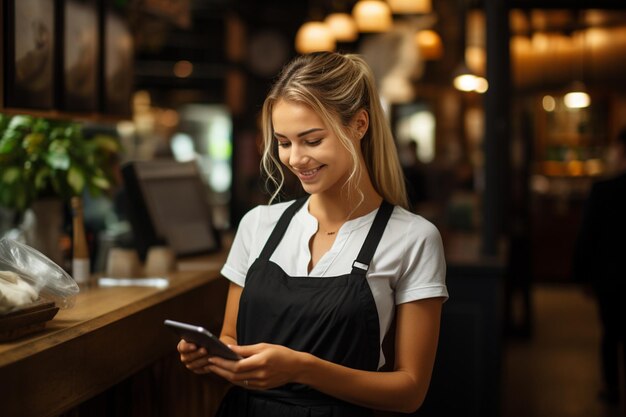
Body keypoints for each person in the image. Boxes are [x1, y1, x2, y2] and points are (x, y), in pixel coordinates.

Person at [177, 52, 448, 416]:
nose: (294, 159)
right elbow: (232, 339)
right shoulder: (257, 225)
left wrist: (302, 368)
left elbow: (410, 391)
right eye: (284, 143)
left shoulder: (414, 238)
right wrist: (213, 357)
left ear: (360, 124)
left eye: (312, 140)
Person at [573, 128, 626, 406]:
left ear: (619, 151)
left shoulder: (603, 190)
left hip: (611, 277)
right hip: (611, 275)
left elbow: (587, 235)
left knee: (610, 332)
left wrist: (582, 275)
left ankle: (612, 388)